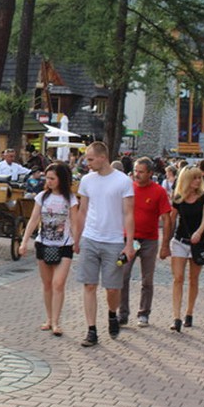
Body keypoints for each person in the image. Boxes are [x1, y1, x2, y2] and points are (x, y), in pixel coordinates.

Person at [73, 141, 135, 347]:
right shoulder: (87, 180)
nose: (87, 163)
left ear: (102, 157)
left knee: (112, 288)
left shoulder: (123, 181)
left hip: (114, 240)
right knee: (89, 285)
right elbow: (82, 211)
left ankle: (111, 314)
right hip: (90, 238)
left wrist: (129, 244)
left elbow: (128, 213)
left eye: (90, 159)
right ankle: (91, 330)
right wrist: (77, 237)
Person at [19, 163, 79, 336]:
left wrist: (77, 241)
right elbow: (33, 219)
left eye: (53, 178)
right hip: (44, 243)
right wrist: (24, 242)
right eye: (47, 178)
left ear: (62, 179)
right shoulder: (42, 197)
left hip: (64, 245)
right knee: (47, 284)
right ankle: (48, 318)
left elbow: (74, 222)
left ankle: (56, 321)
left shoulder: (71, 199)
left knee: (58, 284)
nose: (49, 181)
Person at [118, 157, 172, 328]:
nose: (137, 175)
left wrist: (165, 245)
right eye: (135, 171)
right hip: (129, 240)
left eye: (141, 172)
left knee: (147, 279)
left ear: (150, 173)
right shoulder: (128, 189)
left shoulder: (158, 191)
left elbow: (166, 218)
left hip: (149, 240)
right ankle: (123, 313)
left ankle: (144, 313)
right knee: (123, 274)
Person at [163, 166, 204, 332]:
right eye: (194, 178)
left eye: (199, 177)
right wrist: (165, 243)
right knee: (178, 278)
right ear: (187, 180)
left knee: (193, 279)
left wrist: (199, 232)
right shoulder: (178, 198)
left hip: (198, 242)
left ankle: (189, 312)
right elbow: (171, 219)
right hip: (180, 241)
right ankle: (176, 317)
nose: (197, 180)